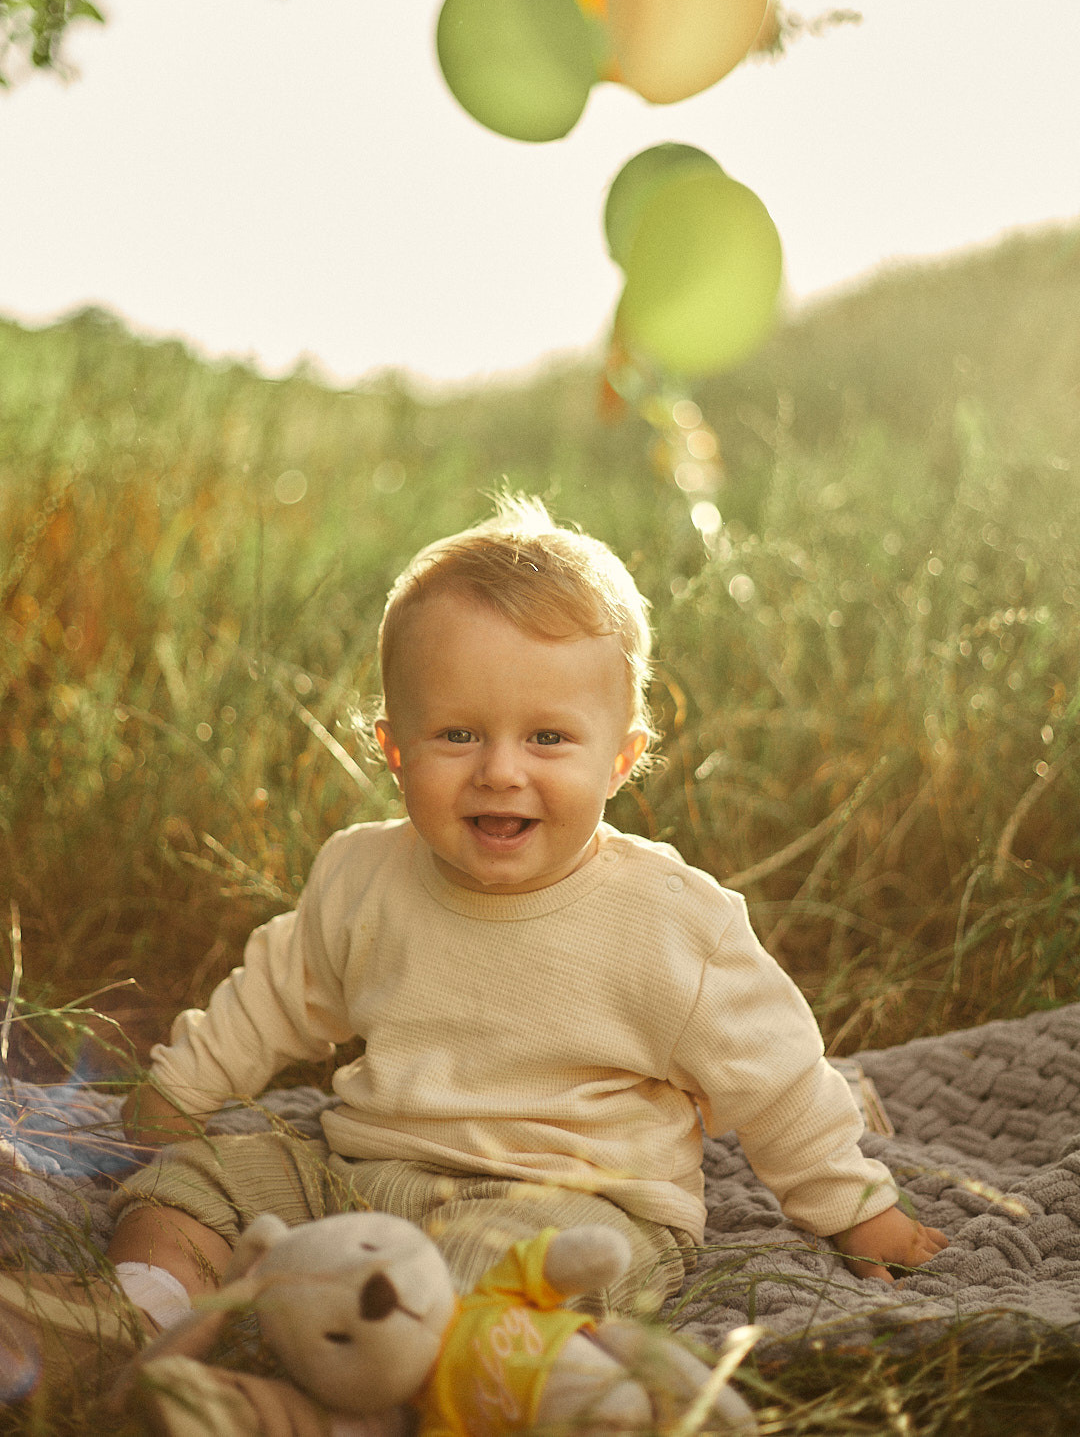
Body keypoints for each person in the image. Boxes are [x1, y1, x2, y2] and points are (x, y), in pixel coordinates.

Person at [4, 496, 946, 1407]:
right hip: (361, 1176)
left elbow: (779, 1077)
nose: (502, 768)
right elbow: (277, 993)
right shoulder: (363, 876)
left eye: (547, 736)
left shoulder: (670, 923)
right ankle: (142, 1316)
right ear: (394, 748)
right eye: (457, 733)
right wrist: (182, 1091)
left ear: (620, 758)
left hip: (570, 1205)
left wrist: (857, 1208)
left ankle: (328, 1401)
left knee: (476, 1289)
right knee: (196, 1184)